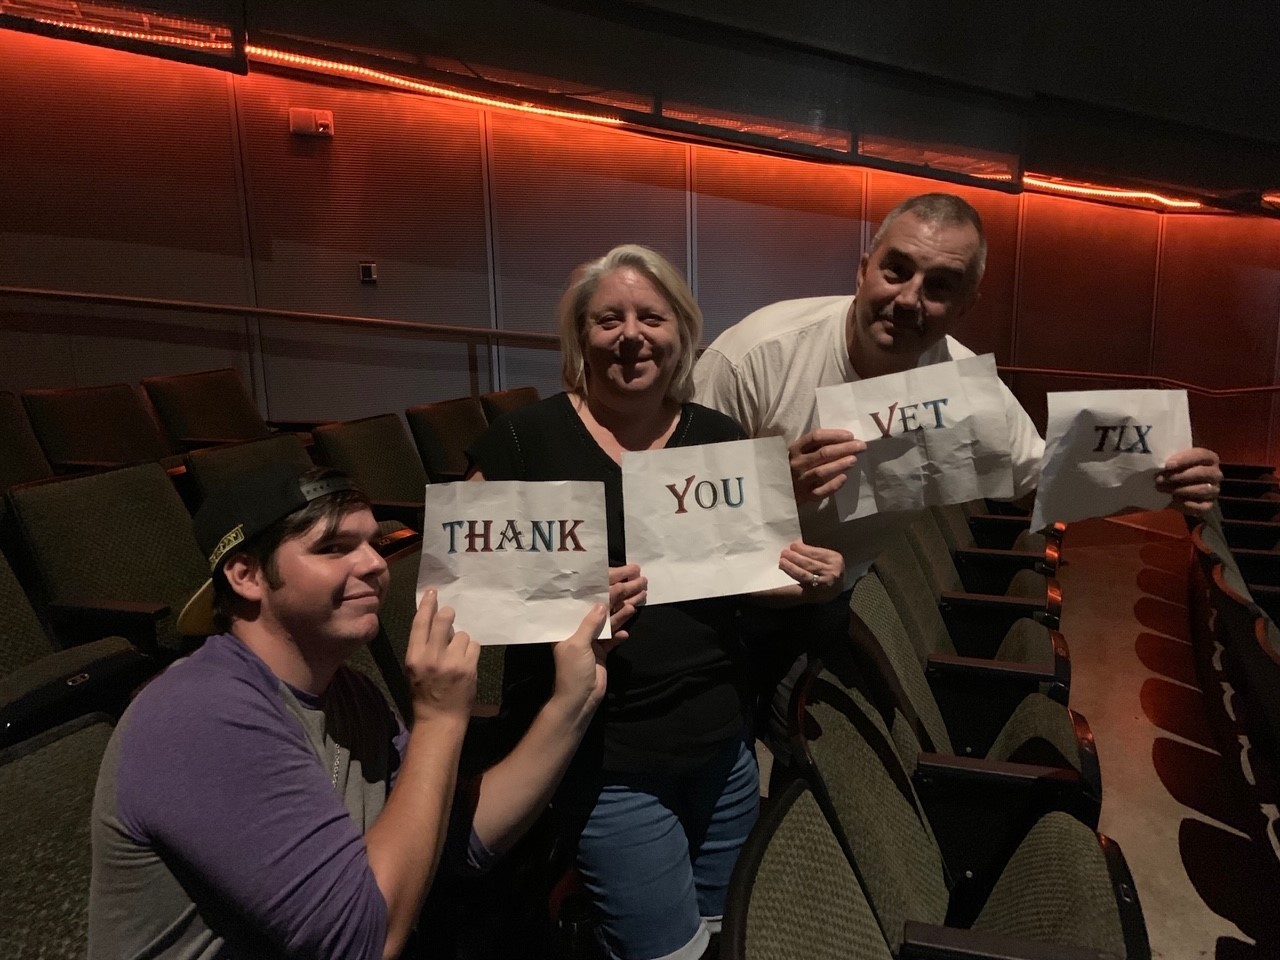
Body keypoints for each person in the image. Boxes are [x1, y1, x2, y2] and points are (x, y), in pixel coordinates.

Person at [693, 191, 1224, 752]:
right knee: (715, 763)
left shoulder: (964, 389)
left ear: (967, 303)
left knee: (814, 758)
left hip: (828, 596)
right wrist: (774, 487)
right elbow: (666, 516)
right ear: (863, 270)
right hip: (717, 604)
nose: (908, 299)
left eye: (940, 286)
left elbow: (1041, 479)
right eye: (896, 270)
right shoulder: (754, 357)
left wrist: (1160, 481)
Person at [467, 244, 844, 960]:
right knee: (664, 951)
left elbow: (748, 579)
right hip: (604, 759)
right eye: (609, 319)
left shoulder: (720, 440)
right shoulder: (522, 442)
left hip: (724, 747)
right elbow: (467, 597)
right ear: (581, 337)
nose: (631, 335)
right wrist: (568, 597)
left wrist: (809, 580)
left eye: (651, 317)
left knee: (724, 933)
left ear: (682, 333)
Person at [89, 463, 613, 960]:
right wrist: (438, 720)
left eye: (372, 544)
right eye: (333, 548)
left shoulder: (349, 691)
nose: (375, 564)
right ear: (246, 575)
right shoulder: (201, 716)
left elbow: (451, 840)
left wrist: (572, 701)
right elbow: (364, 942)